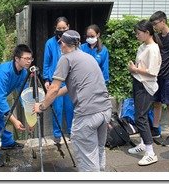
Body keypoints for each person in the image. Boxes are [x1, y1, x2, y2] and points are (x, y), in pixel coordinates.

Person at [34, 30, 112, 172]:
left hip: (88, 115)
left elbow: (53, 88)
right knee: (98, 151)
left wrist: (42, 105)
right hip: (105, 111)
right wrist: (54, 96)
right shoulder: (87, 57)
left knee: (87, 158)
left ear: (63, 44)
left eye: (60, 43)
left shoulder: (66, 59)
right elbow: (72, 87)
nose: (60, 46)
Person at [127, 20, 162, 166]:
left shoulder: (153, 49)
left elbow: (153, 72)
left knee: (140, 117)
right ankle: (143, 143)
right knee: (142, 116)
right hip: (139, 83)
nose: (136, 35)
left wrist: (135, 69)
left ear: (147, 33)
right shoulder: (143, 46)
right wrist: (135, 69)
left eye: (138, 33)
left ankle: (150, 153)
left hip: (146, 86)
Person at [42, 16, 74, 143]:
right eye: (59, 28)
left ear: (68, 27)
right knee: (57, 108)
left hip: (69, 81)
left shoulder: (73, 42)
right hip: (55, 81)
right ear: (55, 28)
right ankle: (57, 134)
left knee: (70, 108)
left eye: (64, 28)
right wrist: (46, 79)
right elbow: (47, 62)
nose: (61, 30)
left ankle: (72, 131)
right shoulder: (50, 43)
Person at [149, 11, 169, 146]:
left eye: (155, 24)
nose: (154, 27)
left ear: (163, 21)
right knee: (156, 102)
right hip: (157, 74)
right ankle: (155, 130)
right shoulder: (157, 37)